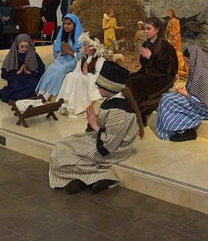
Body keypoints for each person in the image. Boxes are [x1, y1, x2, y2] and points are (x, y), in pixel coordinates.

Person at [49, 61, 144, 195]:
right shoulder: (113, 100)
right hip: (105, 140)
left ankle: (103, 176)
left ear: (109, 88)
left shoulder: (120, 111)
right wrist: (97, 119)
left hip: (114, 149)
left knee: (61, 153)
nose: (98, 89)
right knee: (64, 145)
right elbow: (110, 126)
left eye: (100, 87)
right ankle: (84, 179)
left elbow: (108, 145)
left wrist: (94, 124)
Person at [155, 45, 208, 141]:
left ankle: (182, 129)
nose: (186, 65)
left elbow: (205, 103)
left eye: (188, 62)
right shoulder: (197, 70)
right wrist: (183, 91)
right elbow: (195, 90)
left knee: (167, 100)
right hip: (195, 100)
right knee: (166, 97)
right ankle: (180, 128)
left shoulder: (207, 74)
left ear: (195, 59)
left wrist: (186, 94)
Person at [126, 16, 178, 120]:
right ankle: (128, 110)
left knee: (134, 82)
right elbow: (143, 63)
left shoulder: (166, 46)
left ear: (157, 30)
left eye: (149, 29)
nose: (146, 31)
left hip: (162, 77)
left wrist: (151, 57)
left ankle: (138, 113)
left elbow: (168, 68)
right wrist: (146, 59)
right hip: (149, 73)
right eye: (145, 29)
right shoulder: (146, 43)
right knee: (128, 77)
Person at [35, 13, 84, 100]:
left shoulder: (81, 38)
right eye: (64, 24)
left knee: (61, 69)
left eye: (69, 24)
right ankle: (40, 93)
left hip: (74, 61)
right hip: (63, 58)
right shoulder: (61, 36)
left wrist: (71, 52)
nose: (66, 26)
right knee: (52, 68)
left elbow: (83, 55)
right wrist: (63, 53)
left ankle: (47, 95)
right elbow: (56, 53)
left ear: (75, 25)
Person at [57, 32, 105, 116]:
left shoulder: (99, 60)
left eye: (88, 46)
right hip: (82, 79)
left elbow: (100, 77)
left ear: (94, 47)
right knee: (70, 76)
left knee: (79, 78)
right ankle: (65, 102)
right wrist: (80, 73)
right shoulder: (83, 59)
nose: (86, 48)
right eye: (84, 45)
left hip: (92, 83)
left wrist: (87, 74)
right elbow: (76, 71)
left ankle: (75, 107)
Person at [0, 34, 45, 103]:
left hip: (30, 76)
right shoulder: (12, 55)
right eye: (22, 46)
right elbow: (4, 73)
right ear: (17, 45)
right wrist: (18, 71)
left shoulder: (33, 54)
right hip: (16, 77)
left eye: (26, 46)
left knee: (32, 86)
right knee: (16, 86)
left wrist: (29, 72)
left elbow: (41, 69)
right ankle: (3, 93)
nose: (24, 49)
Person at [165, 8, 187, 76]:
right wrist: (166, 36)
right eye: (168, 13)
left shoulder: (176, 20)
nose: (168, 15)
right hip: (170, 38)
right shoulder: (169, 21)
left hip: (175, 38)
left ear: (172, 13)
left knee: (176, 52)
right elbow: (167, 30)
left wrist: (173, 34)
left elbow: (178, 29)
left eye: (169, 13)